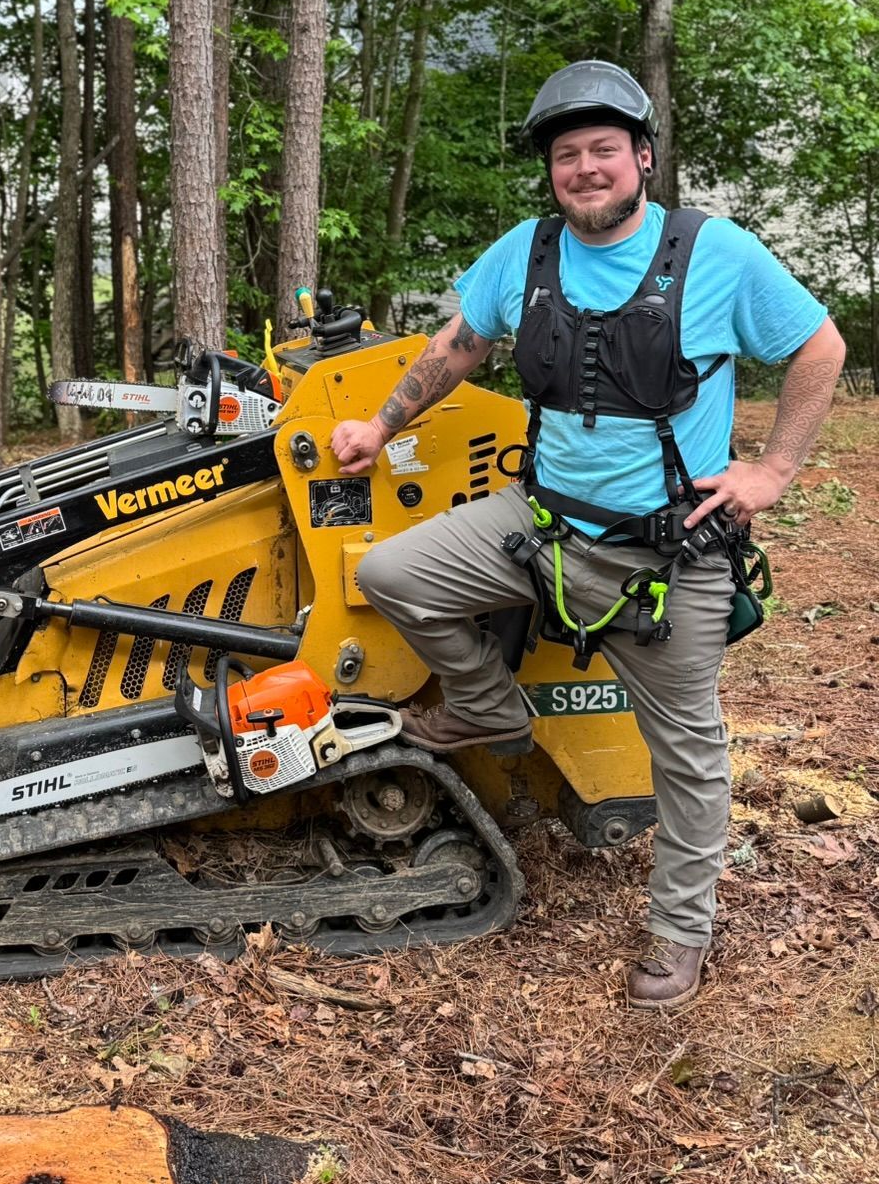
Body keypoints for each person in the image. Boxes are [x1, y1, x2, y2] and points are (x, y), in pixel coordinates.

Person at [333, 60, 847, 1011]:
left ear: (641, 159)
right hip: (540, 525)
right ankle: (488, 707)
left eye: (603, 150)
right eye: (567, 155)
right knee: (398, 572)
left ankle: (681, 931)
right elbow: (459, 346)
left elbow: (820, 348)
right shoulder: (525, 254)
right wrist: (379, 425)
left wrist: (771, 472)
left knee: (686, 750)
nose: (585, 169)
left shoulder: (715, 253)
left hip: (668, 555)